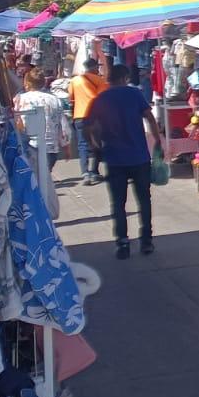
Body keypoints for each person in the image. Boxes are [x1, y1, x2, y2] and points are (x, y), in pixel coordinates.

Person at [86, 63, 163, 259]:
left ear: (110, 79)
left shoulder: (101, 98)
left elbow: (90, 127)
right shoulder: (135, 94)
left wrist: (96, 146)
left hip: (115, 158)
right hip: (139, 157)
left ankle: (122, 243)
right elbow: (149, 118)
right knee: (144, 200)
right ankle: (146, 241)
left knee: (118, 203)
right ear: (125, 77)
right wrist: (157, 141)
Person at [13, 68, 70, 170]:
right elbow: (63, 125)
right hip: (51, 147)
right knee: (45, 177)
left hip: (30, 145)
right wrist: (66, 146)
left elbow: (17, 121)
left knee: (35, 179)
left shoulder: (20, 99)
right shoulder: (54, 99)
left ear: (27, 83)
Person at [68, 57, 109, 184]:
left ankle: (85, 173)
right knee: (97, 143)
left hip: (79, 115)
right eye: (97, 67)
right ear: (94, 68)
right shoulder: (100, 81)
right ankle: (94, 171)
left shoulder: (74, 81)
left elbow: (71, 98)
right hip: (95, 116)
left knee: (82, 145)